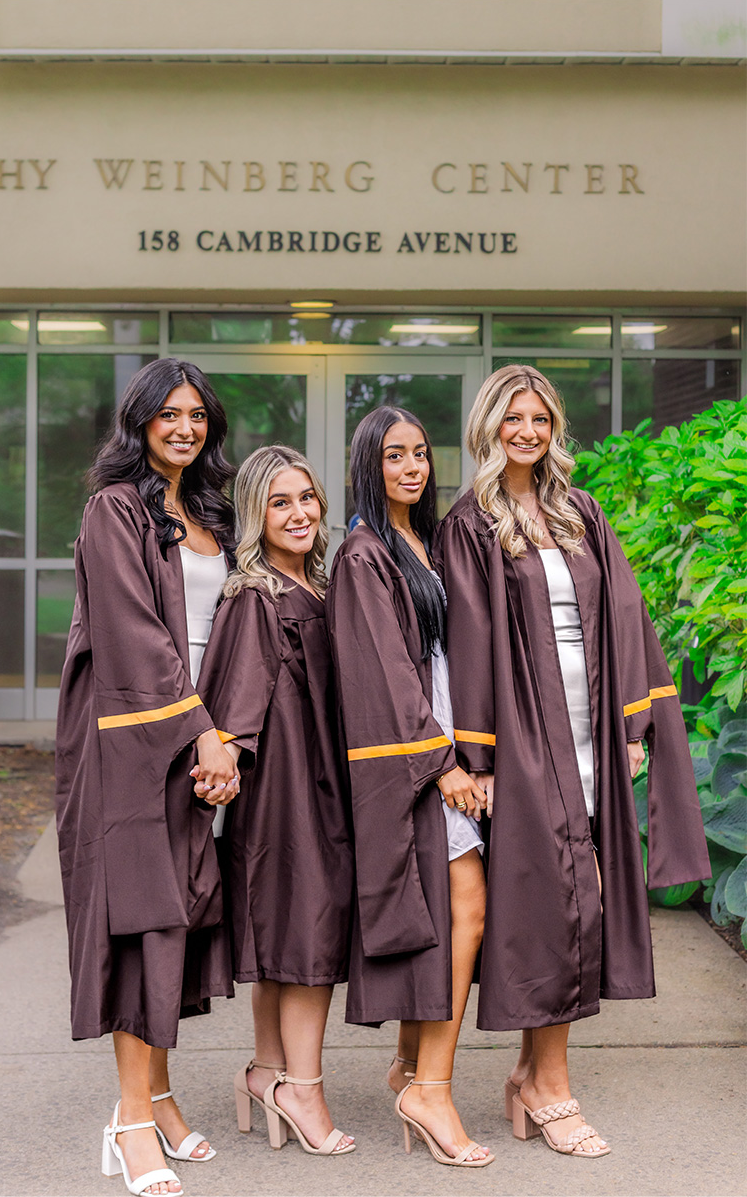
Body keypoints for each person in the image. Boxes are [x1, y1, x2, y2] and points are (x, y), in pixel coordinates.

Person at [434, 363, 710, 1158]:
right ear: (490, 426)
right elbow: (472, 641)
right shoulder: (471, 521)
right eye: (513, 418)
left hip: (588, 726)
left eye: (541, 420)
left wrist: (632, 725)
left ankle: (532, 1073)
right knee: (552, 903)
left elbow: (626, 613)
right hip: (523, 732)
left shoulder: (580, 511)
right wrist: (478, 753)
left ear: (554, 430)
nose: (527, 431)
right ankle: (549, 1087)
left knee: (579, 895)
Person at [55, 358, 240, 1197]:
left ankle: (159, 1096)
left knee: (182, 918)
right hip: (139, 749)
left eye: (196, 415)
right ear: (139, 421)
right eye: (167, 414)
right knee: (143, 925)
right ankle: (129, 1124)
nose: (184, 427)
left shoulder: (206, 511)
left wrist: (228, 739)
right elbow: (134, 634)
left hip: (203, 745)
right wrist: (199, 733)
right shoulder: (115, 509)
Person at [326, 406, 493, 1168]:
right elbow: (387, 674)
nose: (412, 467)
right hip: (418, 755)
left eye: (422, 454)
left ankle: (410, 1066)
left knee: (451, 913)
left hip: (449, 737)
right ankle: (431, 1087)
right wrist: (444, 763)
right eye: (395, 455)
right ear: (370, 462)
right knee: (467, 908)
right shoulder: (364, 553)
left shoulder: (419, 540)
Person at [196, 446, 355, 1158]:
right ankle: (303, 1089)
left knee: (289, 932)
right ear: (256, 514)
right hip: (289, 788)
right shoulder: (254, 596)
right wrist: (224, 756)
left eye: (308, 498)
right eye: (281, 502)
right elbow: (236, 702)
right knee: (307, 934)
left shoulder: (320, 585)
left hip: (323, 775)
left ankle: (266, 1070)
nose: (299, 513)